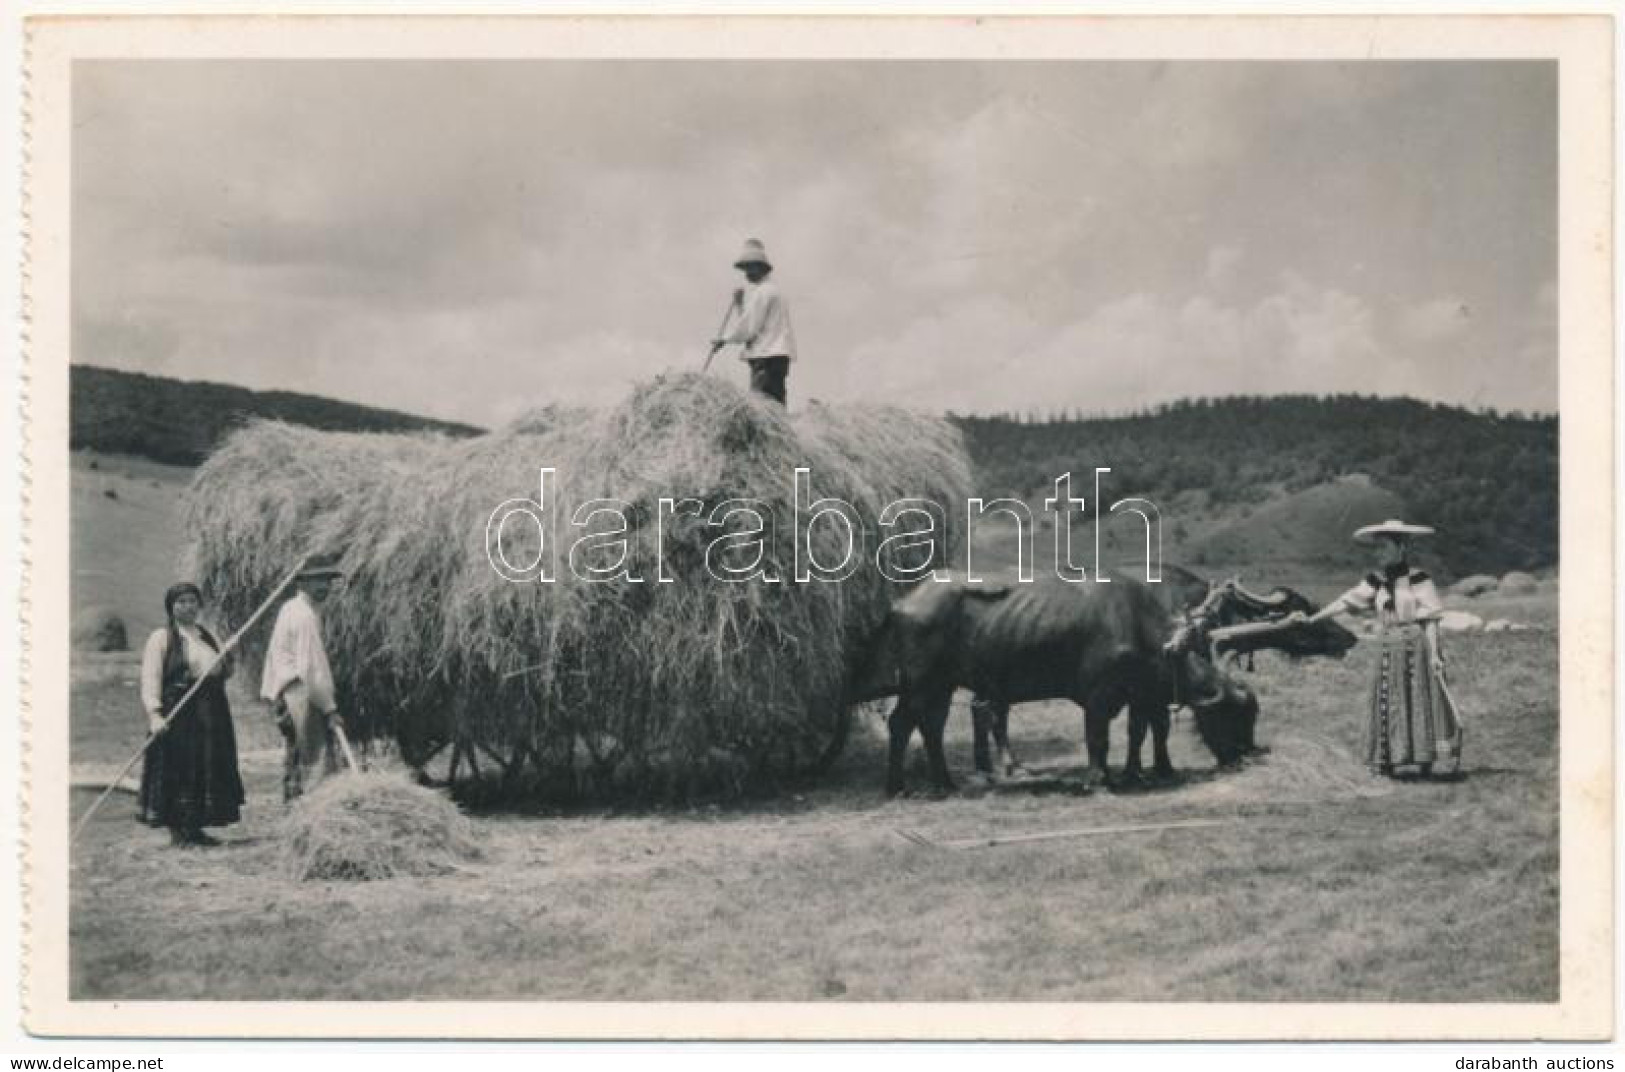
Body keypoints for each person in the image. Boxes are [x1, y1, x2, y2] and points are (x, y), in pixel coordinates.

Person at [1294, 519, 1463, 778]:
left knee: (1416, 696)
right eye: (1377, 548)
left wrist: (1434, 653)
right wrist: (1313, 618)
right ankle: (1388, 759)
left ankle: (1422, 758)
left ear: (1401, 548)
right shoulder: (1375, 581)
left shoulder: (1419, 579)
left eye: (1384, 547)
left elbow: (1429, 620)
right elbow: (1345, 602)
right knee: (1387, 698)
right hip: (1386, 645)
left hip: (1414, 645)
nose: (1378, 553)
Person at [137, 582, 245, 846]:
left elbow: (222, 673)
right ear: (171, 607)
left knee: (206, 765)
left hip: (211, 711)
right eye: (181, 602)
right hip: (179, 711)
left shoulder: (208, 636)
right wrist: (155, 714)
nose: (188, 607)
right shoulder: (161, 638)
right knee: (180, 767)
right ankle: (178, 831)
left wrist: (229, 657)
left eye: (193, 601)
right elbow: (150, 679)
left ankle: (195, 828)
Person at [261, 552, 346, 802]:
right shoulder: (304, 616)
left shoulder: (290, 608)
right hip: (300, 694)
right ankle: (313, 810)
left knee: (296, 752)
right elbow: (311, 668)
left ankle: (294, 806)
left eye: (327, 580)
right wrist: (330, 709)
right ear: (301, 583)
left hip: (286, 693)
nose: (323, 586)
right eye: (316, 580)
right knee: (314, 757)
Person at [710, 238, 798, 405]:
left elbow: (748, 330)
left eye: (750, 267)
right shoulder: (774, 291)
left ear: (760, 267)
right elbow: (751, 325)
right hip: (777, 357)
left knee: (761, 408)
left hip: (766, 358)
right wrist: (740, 305)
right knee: (776, 408)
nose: (746, 273)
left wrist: (724, 340)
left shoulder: (763, 293)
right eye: (745, 268)